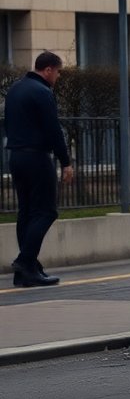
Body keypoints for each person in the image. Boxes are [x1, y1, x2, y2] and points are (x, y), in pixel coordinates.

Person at [4, 51, 74, 287]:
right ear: (48, 70)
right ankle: (25, 262)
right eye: (58, 72)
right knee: (46, 212)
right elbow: (53, 130)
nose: (58, 76)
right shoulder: (42, 92)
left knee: (26, 212)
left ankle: (28, 271)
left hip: (16, 157)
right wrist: (66, 162)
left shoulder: (14, 90)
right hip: (37, 158)